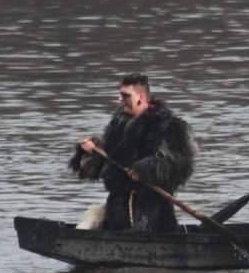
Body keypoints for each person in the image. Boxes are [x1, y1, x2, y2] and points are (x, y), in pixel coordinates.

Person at [68, 73, 198, 232]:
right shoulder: (118, 125)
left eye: (125, 96)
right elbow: (107, 164)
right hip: (117, 210)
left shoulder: (170, 126)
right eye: (120, 95)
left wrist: (144, 169)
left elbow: (180, 167)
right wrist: (91, 151)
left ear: (141, 98)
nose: (119, 100)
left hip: (152, 214)